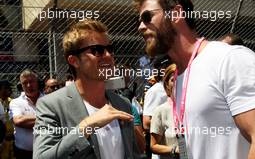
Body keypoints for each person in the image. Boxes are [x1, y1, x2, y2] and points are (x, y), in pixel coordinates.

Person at [134, 0, 255, 159]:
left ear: (176, 14)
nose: (140, 27)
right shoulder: (179, 76)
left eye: (147, 17)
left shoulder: (228, 58)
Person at [33, 19, 141, 159]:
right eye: (97, 50)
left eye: (110, 49)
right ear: (74, 60)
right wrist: (87, 126)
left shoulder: (122, 104)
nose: (108, 56)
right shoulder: (51, 105)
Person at [9, 69, 43, 159]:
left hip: (45, 151)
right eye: (25, 83)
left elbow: (57, 121)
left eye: (31, 81)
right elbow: (18, 121)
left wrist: (27, 119)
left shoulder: (49, 99)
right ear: (21, 86)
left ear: (38, 83)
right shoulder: (15, 102)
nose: (29, 85)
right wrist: (46, 119)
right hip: (22, 153)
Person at [150, 64, 179, 159]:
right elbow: (153, 146)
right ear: (167, 84)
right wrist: (174, 150)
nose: (177, 83)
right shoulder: (161, 111)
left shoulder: (193, 108)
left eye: (180, 78)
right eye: (173, 80)